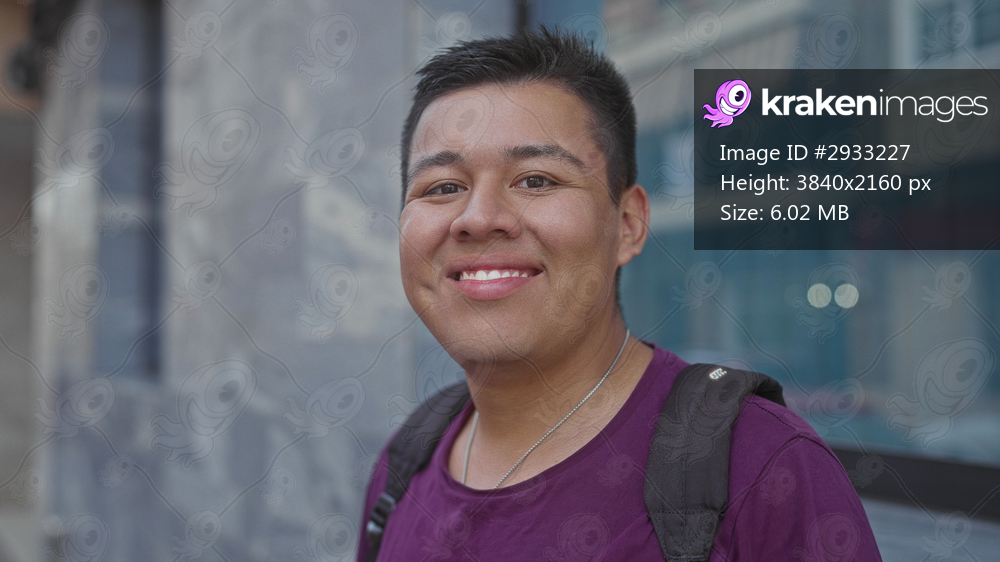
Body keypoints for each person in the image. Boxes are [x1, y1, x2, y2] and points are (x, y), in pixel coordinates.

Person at [358, 27, 882, 561]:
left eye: (536, 180)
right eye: (443, 187)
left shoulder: (764, 468)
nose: (478, 218)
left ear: (628, 224)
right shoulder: (404, 467)